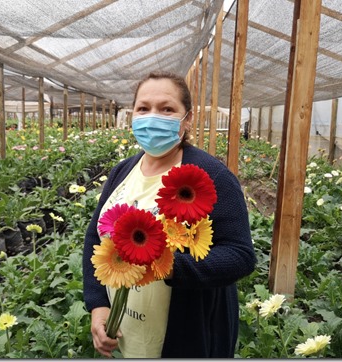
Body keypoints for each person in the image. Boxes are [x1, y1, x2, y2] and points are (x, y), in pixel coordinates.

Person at [82, 71, 256, 358]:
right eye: (143, 108)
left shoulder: (210, 176)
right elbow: (94, 237)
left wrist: (171, 265)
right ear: (132, 116)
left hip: (184, 337)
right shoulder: (122, 171)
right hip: (124, 335)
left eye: (166, 109)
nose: (153, 117)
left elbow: (240, 255)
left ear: (187, 119)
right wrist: (98, 305)